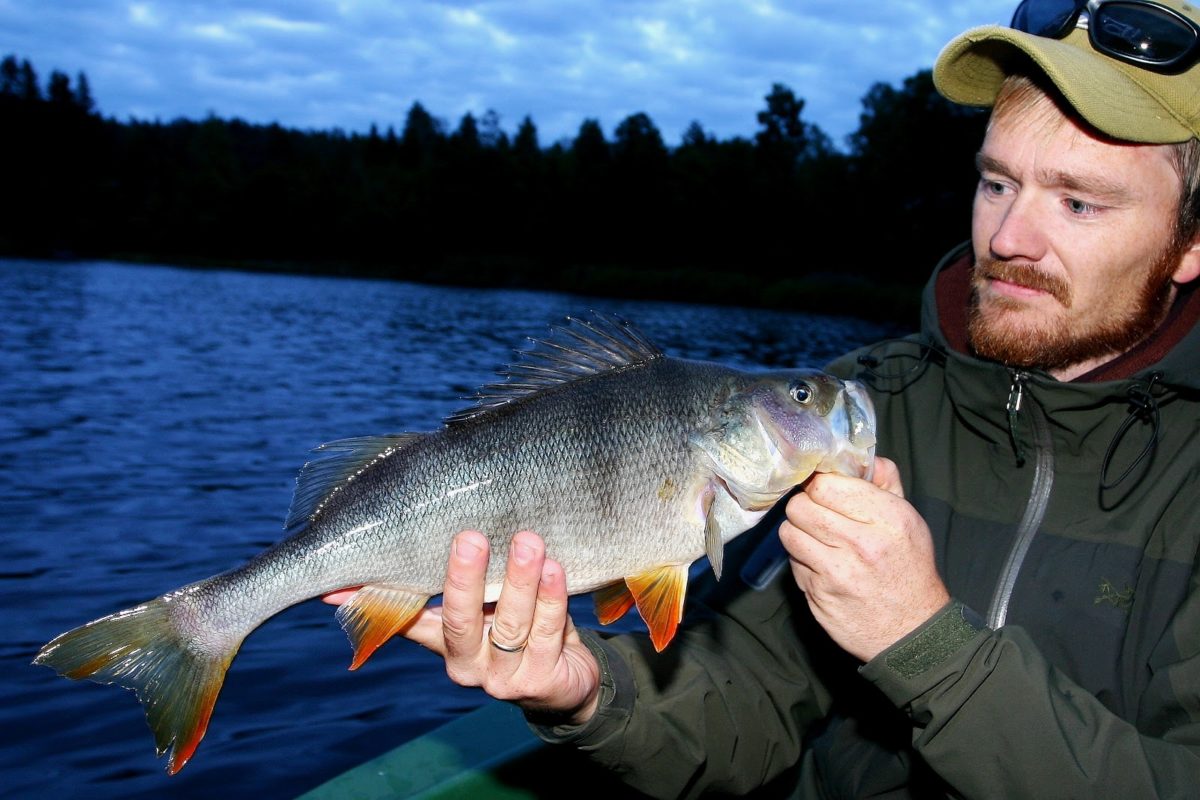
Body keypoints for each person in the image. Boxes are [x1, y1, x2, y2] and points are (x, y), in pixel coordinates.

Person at [334, 1, 1200, 794]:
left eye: (1079, 203)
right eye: (998, 183)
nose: (1008, 238)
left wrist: (927, 644)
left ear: (1190, 242)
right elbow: (749, 694)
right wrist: (591, 692)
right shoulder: (870, 409)